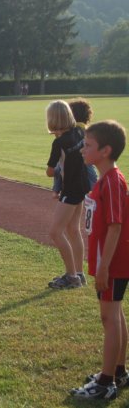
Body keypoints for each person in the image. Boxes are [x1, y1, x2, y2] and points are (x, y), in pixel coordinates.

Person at [70, 120, 129, 400]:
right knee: (115, 314)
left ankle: (106, 383)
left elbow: (116, 226)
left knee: (109, 317)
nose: (83, 149)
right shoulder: (104, 179)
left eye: (88, 145)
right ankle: (118, 370)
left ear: (105, 150)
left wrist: (104, 267)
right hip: (108, 261)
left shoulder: (113, 181)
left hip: (113, 262)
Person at [45, 100, 89, 289]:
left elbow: (50, 171)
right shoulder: (79, 132)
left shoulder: (59, 143)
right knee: (73, 230)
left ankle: (71, 276)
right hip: (82, 187)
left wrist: (57, 171)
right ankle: (79, 273)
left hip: (70, 190)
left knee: (55, 232)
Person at [51, 98, 98, 199]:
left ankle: (56, 190)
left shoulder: (72, 127)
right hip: (83, 156)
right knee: (91, 173)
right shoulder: (83, 127)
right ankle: (95, 191)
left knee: (59, 168)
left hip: (73, 156)